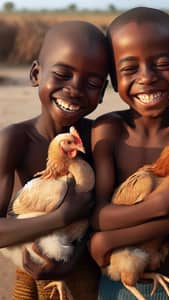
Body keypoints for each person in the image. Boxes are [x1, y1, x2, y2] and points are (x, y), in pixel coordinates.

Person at [89, 7, 169, 300]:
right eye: (130, 68)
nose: (147, 77)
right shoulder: (108, 130)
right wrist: (161, 204)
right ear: (113, 77)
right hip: (117, 284)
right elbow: (98, 215)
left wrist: (108, 240)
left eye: (162, 63)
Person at [0, 20, 109, 299]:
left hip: (83, 269)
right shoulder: (15, 140)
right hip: (29, 268)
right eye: (62, 74)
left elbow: (103, 212)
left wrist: (77, 251)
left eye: (92, 82)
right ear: (36, 73)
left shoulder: (97, 138)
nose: (74, 88)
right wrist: (62, 216)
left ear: (103, 92)